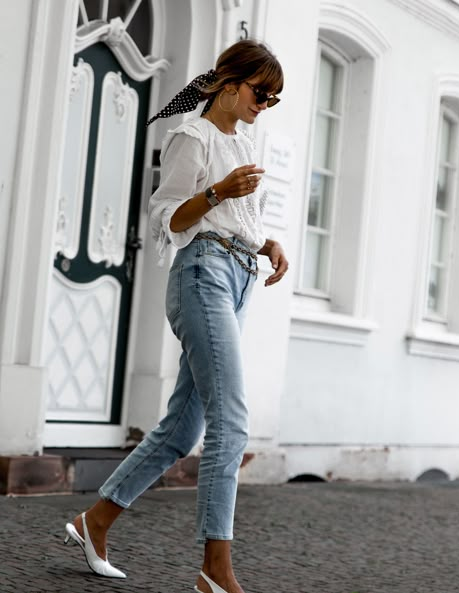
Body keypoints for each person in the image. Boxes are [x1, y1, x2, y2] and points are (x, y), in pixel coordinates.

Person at [64, 38, 288, 593]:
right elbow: (169, 216)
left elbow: (237, 220)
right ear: (230, 84)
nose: (266, 103)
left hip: (238, 279)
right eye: (262, 92)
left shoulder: (244, 141)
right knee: (231, 422)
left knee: (180, 430)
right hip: (201, 276)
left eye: (275, 98)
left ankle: (94, 523)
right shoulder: (191, 136)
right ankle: (214, 571)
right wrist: (216, 191)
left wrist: (267, 244)